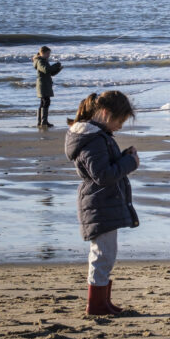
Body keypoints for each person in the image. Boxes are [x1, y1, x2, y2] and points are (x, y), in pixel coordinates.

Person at [64, 91, 140, 315]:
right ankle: (96, 304)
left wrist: (124, 156)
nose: (120, 127)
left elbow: (103, 168)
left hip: (101, 202)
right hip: (98, 203)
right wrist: (130, 163)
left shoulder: (96, 137)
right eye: (119, 121)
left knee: (106, 253)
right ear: (106, 113)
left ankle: (102, 301)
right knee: (102, 254)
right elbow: (103, 175)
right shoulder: (92, 139)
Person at [33, 46, 62, 127]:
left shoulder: (43, 61)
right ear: (42, 53)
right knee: (46, 102)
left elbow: (51, 73)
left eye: (49, 53)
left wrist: (58, 69)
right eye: (47, 53)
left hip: (45, 84)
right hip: (43, 84)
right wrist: (55, 66)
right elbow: (46, 70)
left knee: (43, 102)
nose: (49, 55)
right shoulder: (40, 61)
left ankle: (42, 121)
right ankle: (43, 122)